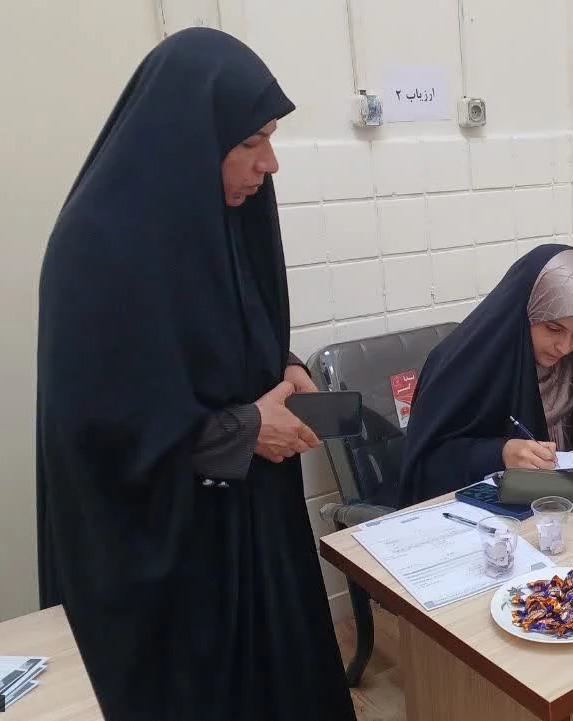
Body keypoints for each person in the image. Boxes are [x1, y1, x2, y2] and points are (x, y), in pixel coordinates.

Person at [35, 28, 357, 720]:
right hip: (174, 560)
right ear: (190, 140)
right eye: (250, 142)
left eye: (270, 138)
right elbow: (96, 431)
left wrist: (284, 366)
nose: (270, 163)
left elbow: (230, 341)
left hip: (253, 526)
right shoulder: (96, 246)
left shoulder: (226, 217)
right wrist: (243, 430)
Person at [399, 244, 573, 505]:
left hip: (565, 508)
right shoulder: (464, 366)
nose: (564, 347)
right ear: (523, 313)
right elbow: (424, 466)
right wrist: (499, 454)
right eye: (553, 329)